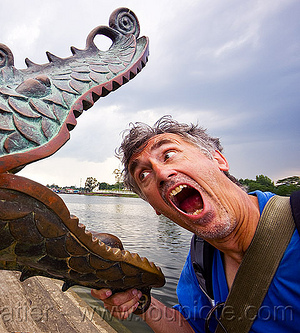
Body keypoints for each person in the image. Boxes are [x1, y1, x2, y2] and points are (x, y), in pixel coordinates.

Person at [90, 115, 300, 332]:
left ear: (218, 159)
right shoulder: (202, 256)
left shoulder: (297, 220)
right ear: (155, 207)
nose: (161, 173)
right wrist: (141, 301)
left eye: (169, 154)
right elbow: (191, 327)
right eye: (143, 174)